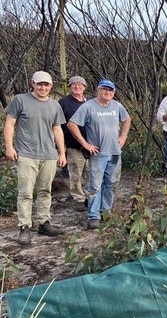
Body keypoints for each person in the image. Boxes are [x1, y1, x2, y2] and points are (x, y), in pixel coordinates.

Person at [3, 71, 67, 245]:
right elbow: (9, 124)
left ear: (51, 86)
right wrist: (9, 147)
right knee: (25, 193)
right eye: (39, 84)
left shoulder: (55, 105)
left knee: (45, 191)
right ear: (33, 83)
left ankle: (44, 223)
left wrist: (61, 152)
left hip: (49, 155)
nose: (43, 88)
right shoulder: (20, 100)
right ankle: (24, 226)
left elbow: (57, 130)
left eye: (46, 85)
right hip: (26, 154)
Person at [67, 79, 131, 230]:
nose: (108, 92)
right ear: (98, 90)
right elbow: (72, 124)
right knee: (95, 185)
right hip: (98, 154)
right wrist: (85, 144)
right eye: (105, 89)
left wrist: (123, 136)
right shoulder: (88, 106)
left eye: (111, 90)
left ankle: (106, 211)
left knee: (111, 183)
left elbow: (127, 119)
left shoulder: (117, 106)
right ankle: (93, 216)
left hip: (115, 152)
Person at [59, 75, 88, 212]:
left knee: (90, 173)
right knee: (75, 172)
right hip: (72, 144)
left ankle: (89, 196)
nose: (77, 87)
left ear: (84, 87)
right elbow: (57, 125)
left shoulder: (89, 103)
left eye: (80, 85)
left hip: (91, 145)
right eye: (74, 85)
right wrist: (61, 146)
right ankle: (79, 199)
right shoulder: (63, 102)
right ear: (70, 87)